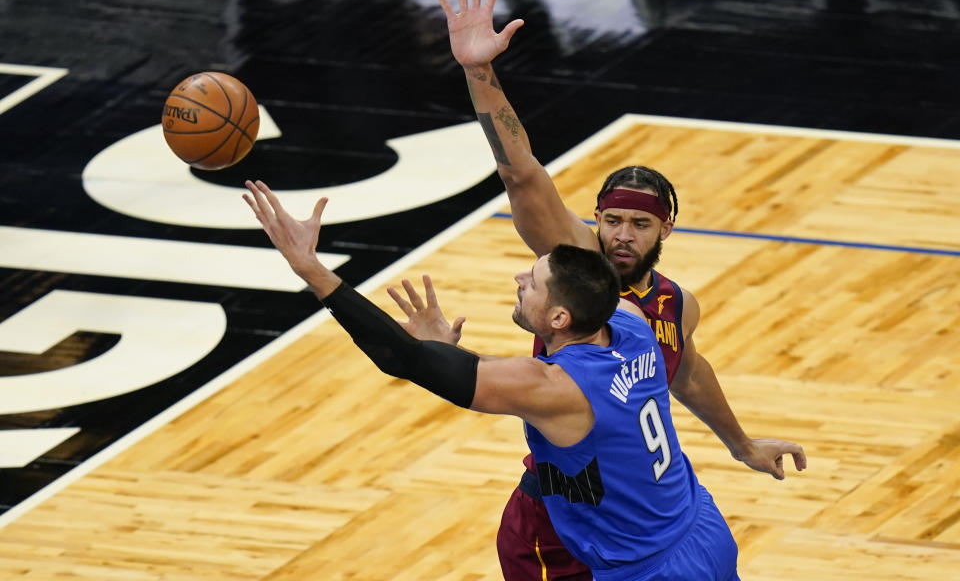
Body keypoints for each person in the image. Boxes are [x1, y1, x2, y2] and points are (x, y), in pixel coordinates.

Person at [436, 0, 806, 580]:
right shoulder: (573, 259)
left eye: (638, 225)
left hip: (645, 515)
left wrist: (741, 444)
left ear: (666, 231)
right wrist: (480, 72)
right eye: (611, 220)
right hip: (563, 514)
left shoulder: (674, 304)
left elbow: (686, 371)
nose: (620, 236)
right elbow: (521, 171)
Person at [242, 179, 740, 580]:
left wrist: (310, 268)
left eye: (534, 283)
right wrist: (438, 354)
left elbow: (406, 360)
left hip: (646, 569)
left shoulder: (552, 387)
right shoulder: (632, 321)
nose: (520, 281)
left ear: (560, 319)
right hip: (700, 528)